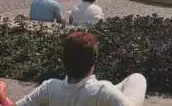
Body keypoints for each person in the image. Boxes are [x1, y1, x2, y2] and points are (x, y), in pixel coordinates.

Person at [16, 32, 147, 106]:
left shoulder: (49, 88)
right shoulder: (101, 91)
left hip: (73, 94)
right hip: (100, 95)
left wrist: (1, 89)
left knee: (113, 90)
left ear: (64, 61)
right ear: (93, 62)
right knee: (137, 78)